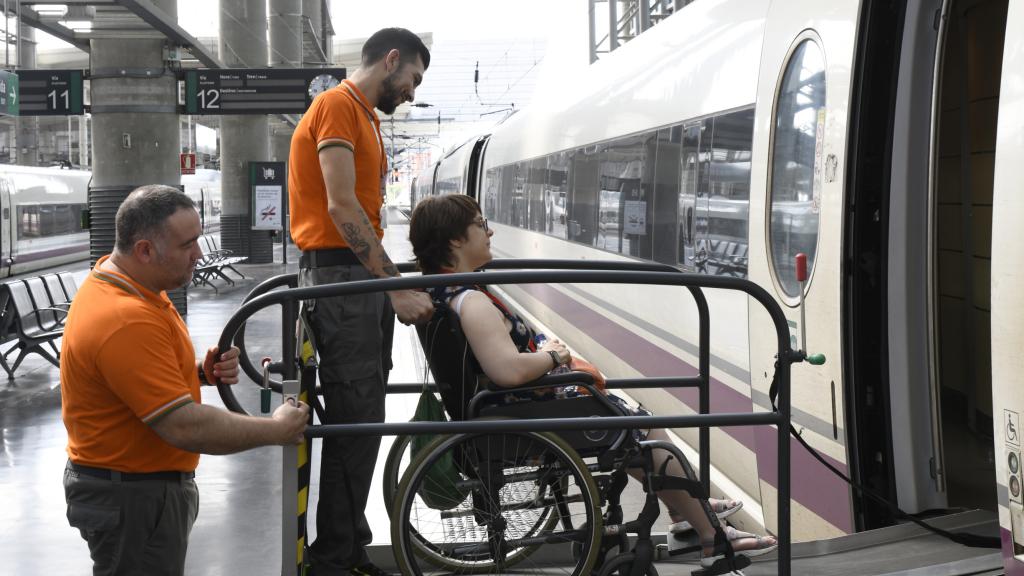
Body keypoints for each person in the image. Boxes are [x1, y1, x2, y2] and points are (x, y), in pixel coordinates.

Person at [408, 194, 777, 567]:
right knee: (643, 433)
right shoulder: (471, 301)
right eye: (480, 225)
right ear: (455, 240)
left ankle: (687, 510)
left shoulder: (444, 292)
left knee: (638, 422)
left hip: (504, 410)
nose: (490, 231)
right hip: (521, 415)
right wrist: (555, 356)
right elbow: (508, 371)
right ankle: (710, 536)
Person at [60, 185, 310, 576]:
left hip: (135, 489)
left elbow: (124, 380)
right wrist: (275, 430)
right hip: (134, 498)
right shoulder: (124, 317)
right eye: (187, 245)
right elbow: (184, 426)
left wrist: (195, 374)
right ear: (144, 250)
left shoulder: (132, 286)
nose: (199, 255)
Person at [287, 27, 434, 576]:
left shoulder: (364, 116)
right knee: (357, 417)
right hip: (342, 282)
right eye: (412, 78)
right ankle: (334, 560)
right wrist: (393, 285)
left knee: (364, 417)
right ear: (390, 60)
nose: (412, 93)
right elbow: (343, 207)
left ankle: (347, 547)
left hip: (352, 282)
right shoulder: (337, 107)